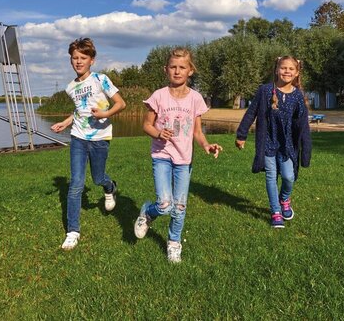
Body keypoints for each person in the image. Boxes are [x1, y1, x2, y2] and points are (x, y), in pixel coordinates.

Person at [133, 47, 222, 263]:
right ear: (166, 69)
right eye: (173, 67)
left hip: (184, 159)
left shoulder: (195, 98)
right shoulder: (159, 96)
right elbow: (146, 125)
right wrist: (158, 133)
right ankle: (148, 212)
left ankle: (174, 243)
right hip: (161, 156)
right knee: (165, 204)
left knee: (180, 206)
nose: (177, 71)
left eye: (182, 67)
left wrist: (206, 145)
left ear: (190, 71)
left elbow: (197, 132)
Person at [51, 37, 126, 250]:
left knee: (98, 178)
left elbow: (121, 103)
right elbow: (79, 111)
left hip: (100, 138)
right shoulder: (70, 87)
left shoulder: (100, 79)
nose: (78, 61)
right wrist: (66, 122)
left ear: (91, 60)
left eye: (83, 58)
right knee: (76, 184)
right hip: (78, 137)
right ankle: (73, 231)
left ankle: (110, 187)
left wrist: (105, 113)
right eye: (75, 58)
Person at [235, 56, 312, 228]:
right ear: (277, 70)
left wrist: (306, 149)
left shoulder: (298, 96)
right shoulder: (265, 91)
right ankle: (275, 211)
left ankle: (284, 199)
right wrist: (241, 135)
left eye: (291, 69)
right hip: (268, 141)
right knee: (271, 175)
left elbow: (303, 125)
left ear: (297, 73)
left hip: (287, 144)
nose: (287, 71)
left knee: (288, 177)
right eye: (283, 68)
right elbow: (251, 112)